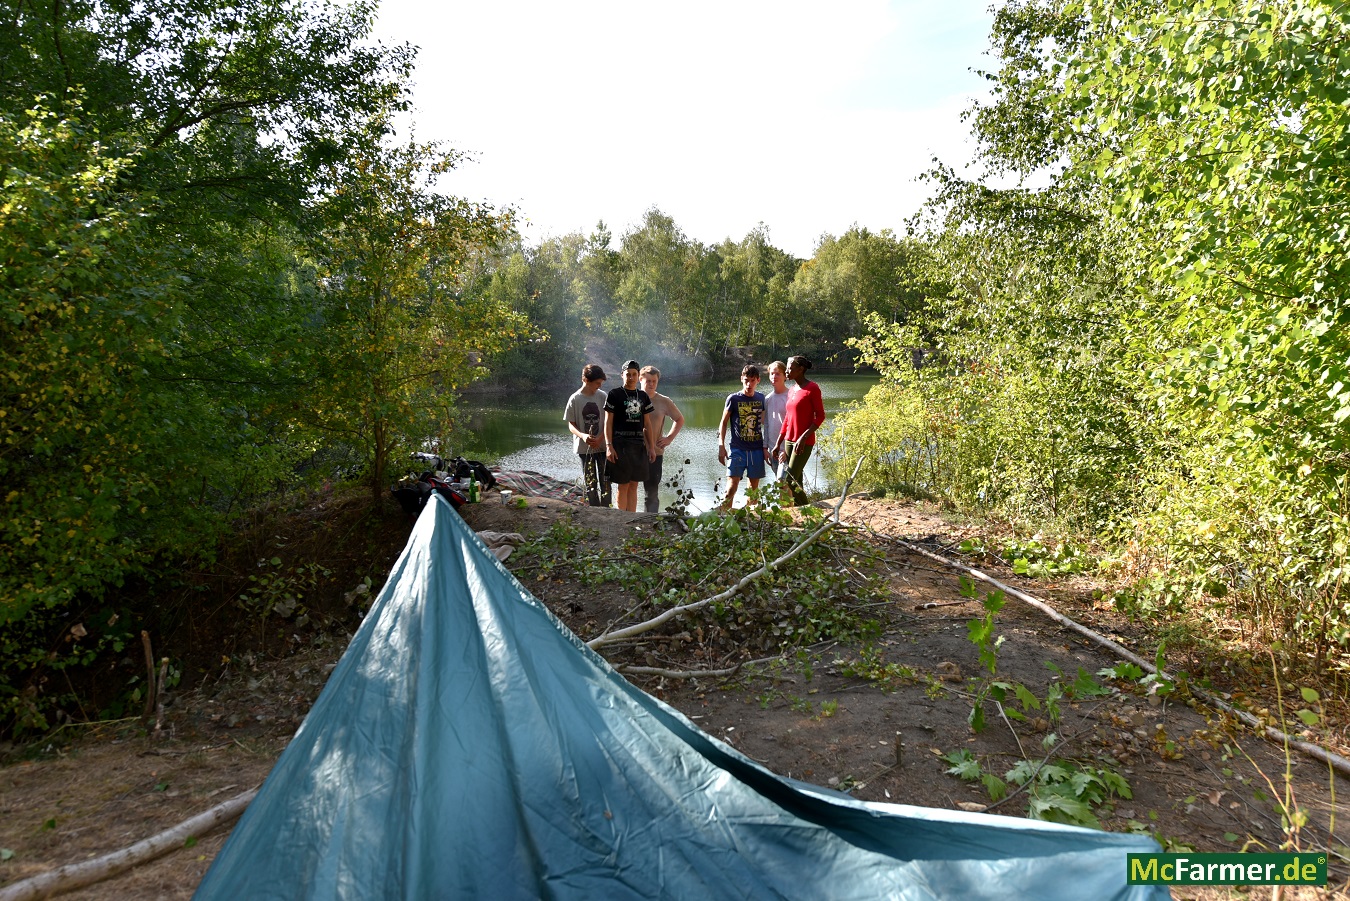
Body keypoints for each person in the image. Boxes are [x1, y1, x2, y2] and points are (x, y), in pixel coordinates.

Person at [771, 355, 825, 506]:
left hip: (803, 442)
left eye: (790, 368)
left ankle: (809, 511)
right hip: (789, 441)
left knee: (790, 479)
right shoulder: (792, 390)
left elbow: (820, 416)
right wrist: (778, 443)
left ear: (800, 369)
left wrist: (803, 437)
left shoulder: (812, 388)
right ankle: (803, 512)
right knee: (797, 481)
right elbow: (787, 419)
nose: (787, 371)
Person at [604, 359, 657, 512]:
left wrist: (651, 448)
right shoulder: (614, 394)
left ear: (638, 375)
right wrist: (609, 446)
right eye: (628, 374)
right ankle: (621, 517)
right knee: (623, 485)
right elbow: (608, 422)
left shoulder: (643, 396)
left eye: (634, 374)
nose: (631, 377)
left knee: (634, 485)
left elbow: (647, 424)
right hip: (620, 445)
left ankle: (632, 517)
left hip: (638, 445)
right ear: (622, 375)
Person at [716, 364, 767, 510]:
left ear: (758, 380)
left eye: (752, 380)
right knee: (731, 487)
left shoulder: (761, 398)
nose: (749, 384)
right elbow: (723, 423)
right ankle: (724, 516)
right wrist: (721, 445)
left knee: (753, 490)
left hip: (756, 449)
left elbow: (766, 423)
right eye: (746, 380)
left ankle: (751, 518)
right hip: (737, 449)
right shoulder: (733, 399)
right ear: (741, 379)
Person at [639, 365, 685, 514]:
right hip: (633, 450)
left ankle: (650, 519)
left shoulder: (664, 401)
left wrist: (669, 438)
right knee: (629, 487)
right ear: (640, 379)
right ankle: (625, 519)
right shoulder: (632, 398)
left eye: (654, 381)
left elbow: (679, 419)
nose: (651, 384)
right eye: (648, 381)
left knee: (651, 491)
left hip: (655, 452)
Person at [563, 363, 610, 506]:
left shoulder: (603, 396)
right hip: (584, 449)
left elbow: (609, 421)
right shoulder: (575, 399)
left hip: (603, 447)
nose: (599, 386)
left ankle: (607, 509)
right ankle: (594, 510)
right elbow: (571, 424)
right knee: (590, 482)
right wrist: (583, 436)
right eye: (597, 383)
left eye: (601, 383)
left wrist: (601, 438)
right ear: (586, 380)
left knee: (606, 481)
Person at [762, 360, 791, 481]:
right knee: (781, 484)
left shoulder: (791, 397)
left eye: (778, 373)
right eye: (772, 374)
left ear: (785, 376)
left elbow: (793, 425)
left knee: (784, 481)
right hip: (773, 450)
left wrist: (787, 450)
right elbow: (766, 424)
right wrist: (765, 447)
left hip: (787, 449)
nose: (774, 376)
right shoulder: (767, 399)